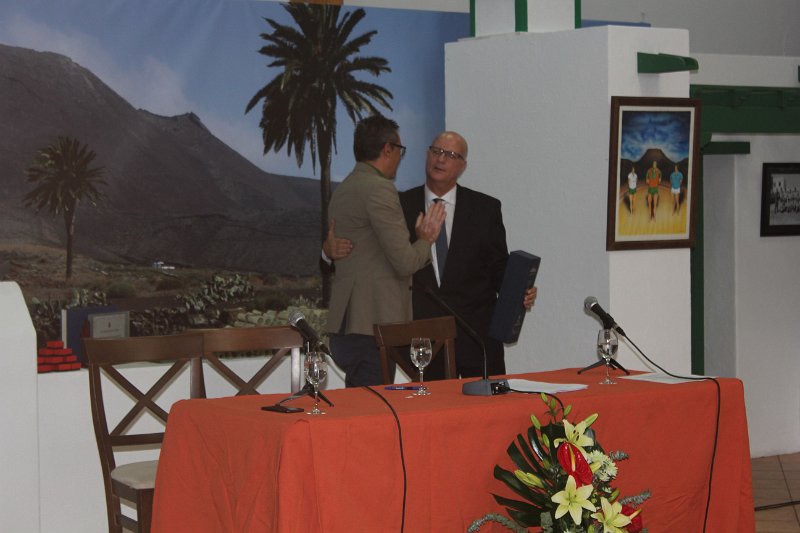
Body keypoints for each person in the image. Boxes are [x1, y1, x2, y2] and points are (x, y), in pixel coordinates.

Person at [327, 131, 536, 379]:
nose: (441, 159)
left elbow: (498, 268)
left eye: (451, 155)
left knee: (490, 404)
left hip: (476, 337)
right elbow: (368, 258)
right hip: (422, 340)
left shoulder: (485, 208)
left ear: (462, 165)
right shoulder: (398, 205)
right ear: (427, 155)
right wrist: (327, 252)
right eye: (436, 151)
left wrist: (519, 292)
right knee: (426, 405)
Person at [325, 115, 445, 387]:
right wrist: (426, 239)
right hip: (371, 325)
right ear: (387, 149)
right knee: (374, 410)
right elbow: (405, 262)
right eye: (400, 150)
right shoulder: (379, 189)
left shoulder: (344, 188)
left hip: (347, 324)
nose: (400, 158)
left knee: (360, 407)